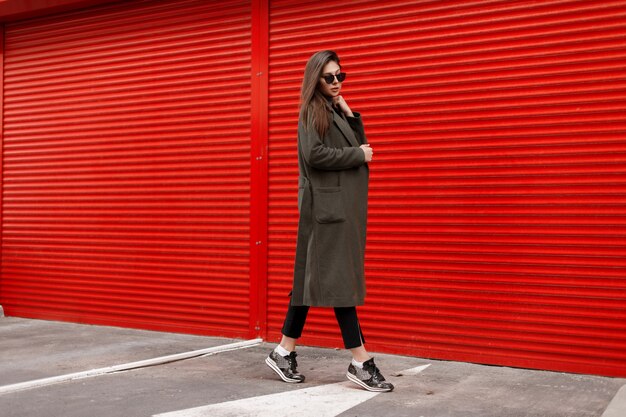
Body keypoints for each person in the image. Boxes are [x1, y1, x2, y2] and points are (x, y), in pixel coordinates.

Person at [265, 50, 394, 392]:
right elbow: (316, 154)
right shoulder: (312, 110)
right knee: (339, 284)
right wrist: (358, 154)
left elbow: (356, 142)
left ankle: (283, 351)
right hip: (326, 212)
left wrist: (349, 113)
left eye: (340, 76)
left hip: (337, 210)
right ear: (315, 80)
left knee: (311, 282)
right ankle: (361, 362)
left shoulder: (333, 109)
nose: (337, 82)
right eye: (329, 77)